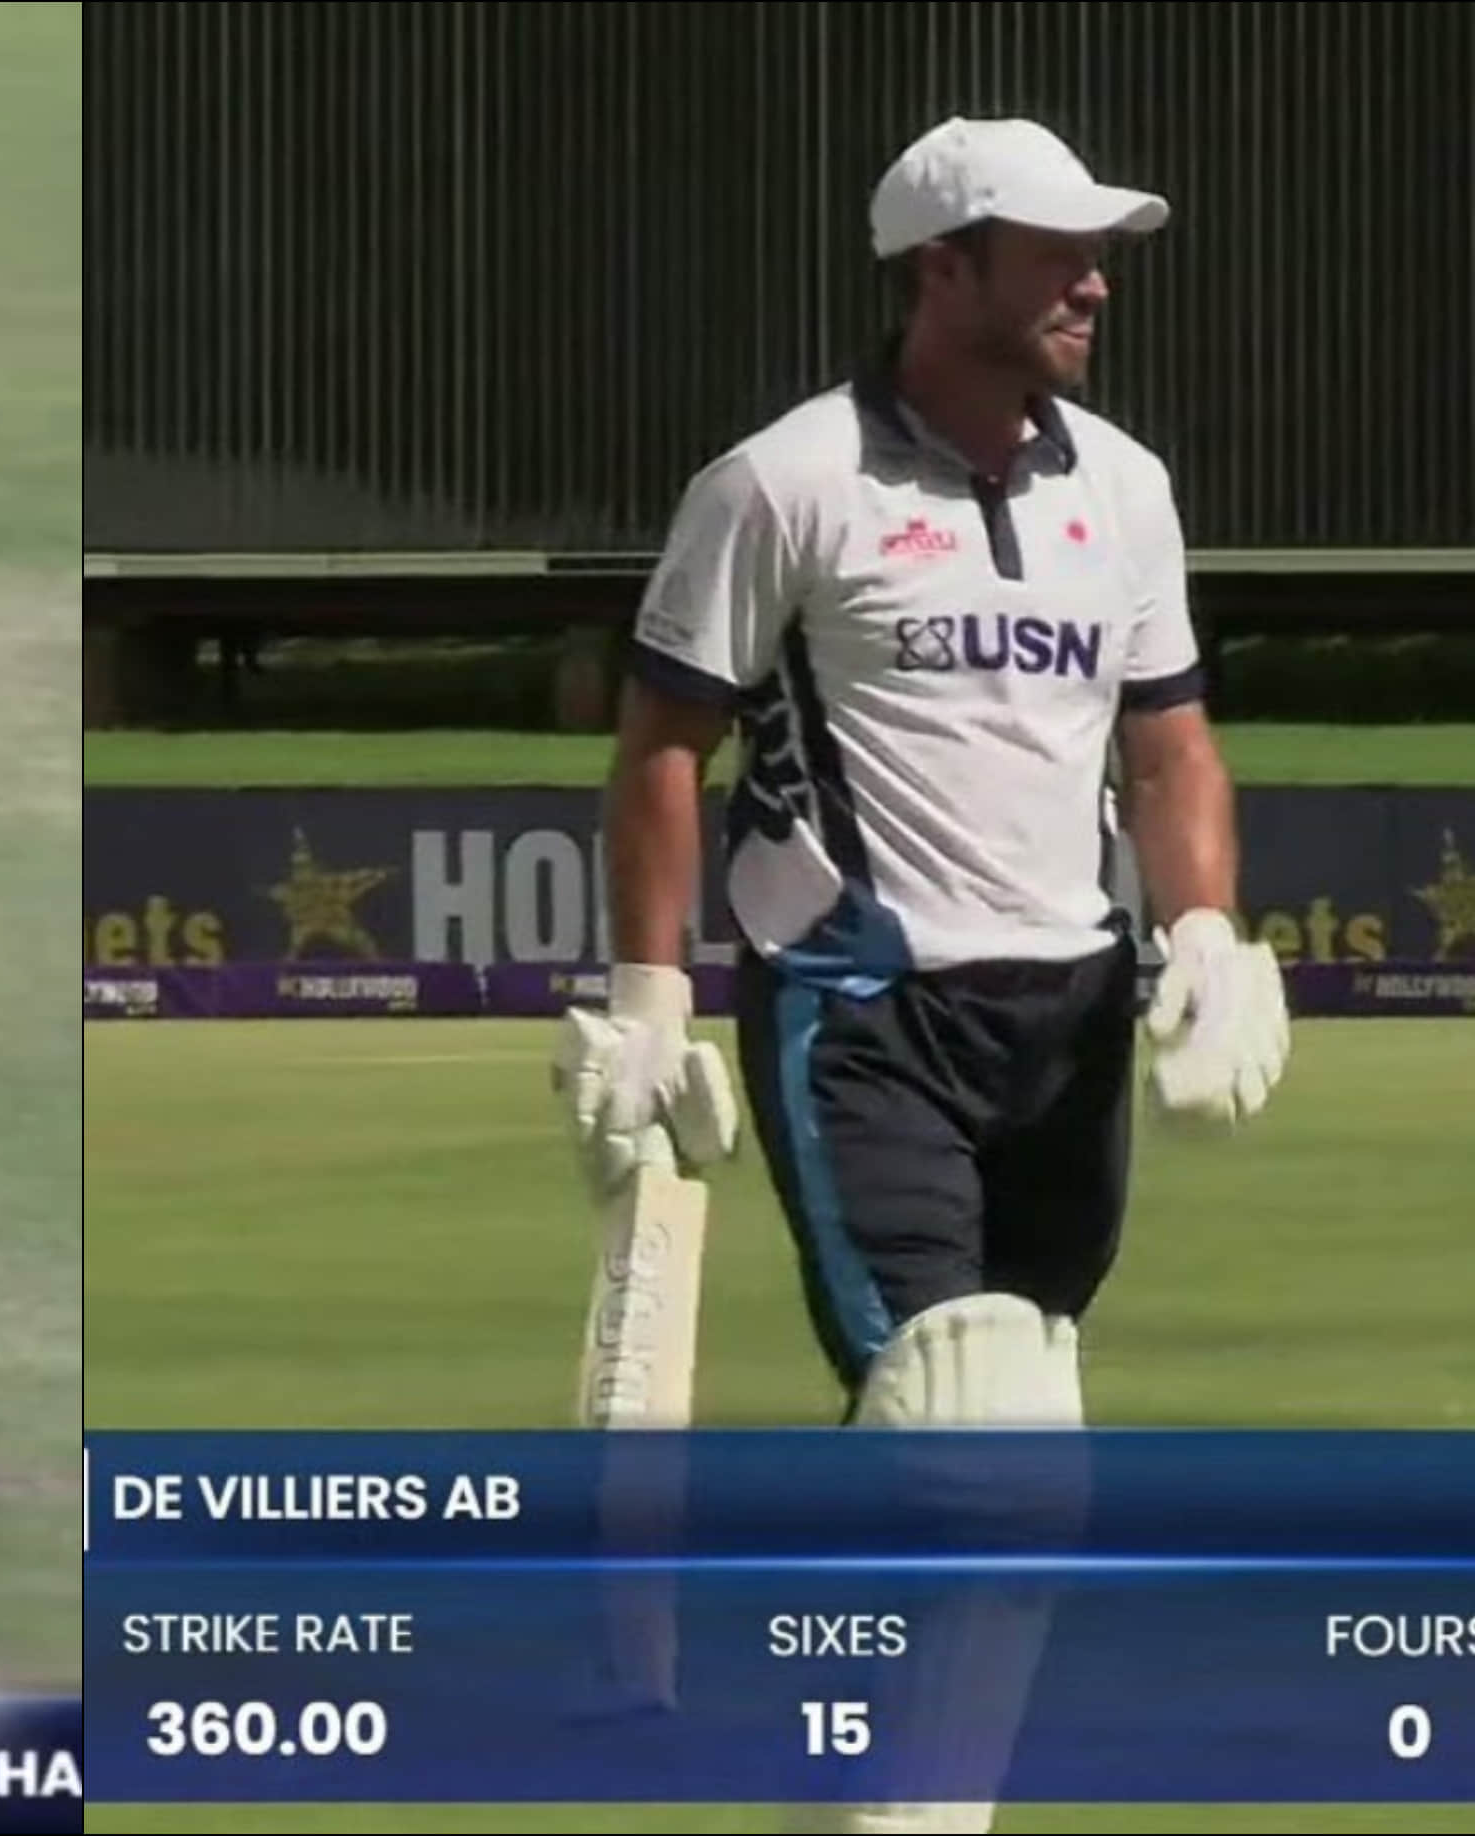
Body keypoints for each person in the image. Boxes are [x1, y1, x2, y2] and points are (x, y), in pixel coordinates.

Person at [554, 117, 1291, 1832]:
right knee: (980, 1436)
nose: (1092, 282)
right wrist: (648, 993)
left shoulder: (1125, 489)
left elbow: (1168, 743)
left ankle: (851, 1738)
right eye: (1053, 252)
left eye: (1097, 252)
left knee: (1009, 1431)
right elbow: (663, 743)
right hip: (864, 1008)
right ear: (938, 268)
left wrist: (1202, 927)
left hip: (1071, 1017)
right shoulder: (783, 482)